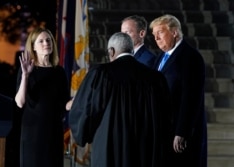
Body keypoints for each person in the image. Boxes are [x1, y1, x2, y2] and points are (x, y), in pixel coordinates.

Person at [69, 32, 171, 167]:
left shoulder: (101, 74)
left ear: (111, 51)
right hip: (144, 151)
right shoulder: (155, 78)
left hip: (109, 150)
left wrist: (84, 133)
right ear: (132, 50)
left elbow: (86, 111)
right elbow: (166, 118)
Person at [150, 14, 207, 167]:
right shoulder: (160, 57)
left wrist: (181, 131)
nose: (156, 38)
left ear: (174, 32)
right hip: (163, 130)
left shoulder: (190, 57)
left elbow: (191, 98)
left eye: (160, 33)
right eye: (154, 35)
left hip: (179, 133)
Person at [15, 27, 70, 167]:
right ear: (33, 47)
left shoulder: (59, 72)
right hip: (33, 134)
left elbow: (65, 104)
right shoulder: (27, 70)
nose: (46, 43)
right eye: (41, 41)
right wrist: (26, 76)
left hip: (54, 132)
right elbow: (20, 102)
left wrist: (80, 98)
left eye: (48, 40)